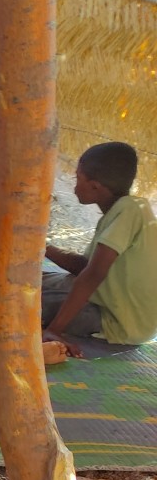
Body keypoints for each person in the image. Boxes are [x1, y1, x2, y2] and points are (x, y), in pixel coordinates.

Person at [42, 142, 157, 356]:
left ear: (95, 186)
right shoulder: (124, 211)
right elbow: (85, 267)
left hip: (113, 319)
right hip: (107, 304)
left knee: (17, 300)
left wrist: (54, 330)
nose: (74, 186)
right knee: (23, 281)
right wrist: (40, 244)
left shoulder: (130, 210)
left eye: (78, 179)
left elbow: (93, 275)